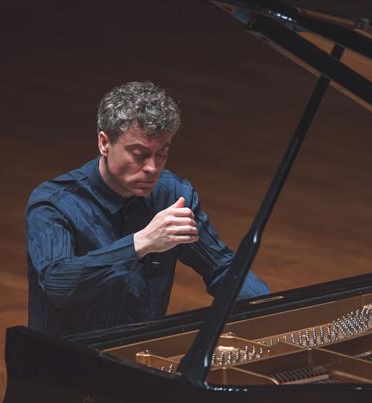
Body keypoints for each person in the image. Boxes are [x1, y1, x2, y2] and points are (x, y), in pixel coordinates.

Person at [25, 81, 270, 336]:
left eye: (161, 154)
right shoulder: (54, 203)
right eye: (139, 154)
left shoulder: (173, 194)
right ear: (104, 143)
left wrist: (270, 311)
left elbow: (221, 267)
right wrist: (140, 243)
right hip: (64, 362)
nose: (152, 168)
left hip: (141, 352)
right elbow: (57, 283)